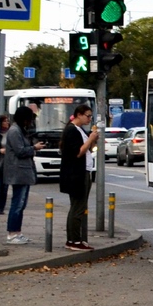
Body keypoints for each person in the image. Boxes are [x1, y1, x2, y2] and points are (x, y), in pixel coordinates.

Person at [2, 106, 45, 245]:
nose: (30, 123)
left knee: (21, 203)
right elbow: (20, 151)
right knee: (18, 203)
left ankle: (17, 232)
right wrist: (34, 148)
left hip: (23, 172)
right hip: (18, 172)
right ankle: (12, 233)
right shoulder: (15, 131)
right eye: (29, 120)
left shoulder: (20, 130)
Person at [59, 104, 99, 251]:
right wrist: (90, 139)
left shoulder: (79, 130)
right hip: (77, 174)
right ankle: (74, 241)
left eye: (90, 116)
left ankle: (75, 239)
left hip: (83, 171)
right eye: (87, 115)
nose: (89, 119)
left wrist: (93, 139)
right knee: (78, 208)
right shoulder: (72, 130)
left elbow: (88, 148)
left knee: (79, 207)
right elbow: (78, 152)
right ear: (79, 115)